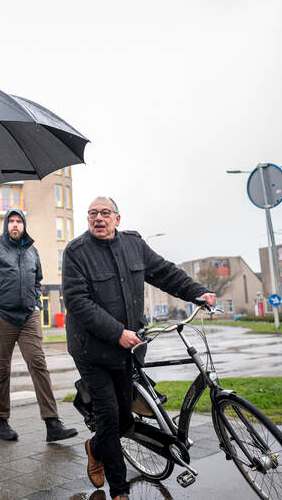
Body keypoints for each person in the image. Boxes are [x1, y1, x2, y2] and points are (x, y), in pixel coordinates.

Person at [62, 197, 216, 500]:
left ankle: (94, 448)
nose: (98, 219)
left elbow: (164, 273)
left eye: (105, 213)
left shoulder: (134, 245)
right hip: (91, 350)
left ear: (117, 219)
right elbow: (77, 302)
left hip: (128, 351)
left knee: (125, 420)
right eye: (92, 214)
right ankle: (119, 491)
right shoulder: (76, 252)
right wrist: (117, 332)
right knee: (108, 416)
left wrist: (198, 292)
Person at [0, 208, 78, 443]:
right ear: (6, 224)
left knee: (38, 364)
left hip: (28, 316)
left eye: (19, 221)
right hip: (1, 315)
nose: (15, 225)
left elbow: (38, 279)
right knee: (1, 369)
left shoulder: (31, 250)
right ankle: (1, 421)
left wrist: (36, 304)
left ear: (24, 225)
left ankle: (52, 422)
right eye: (11, 221)